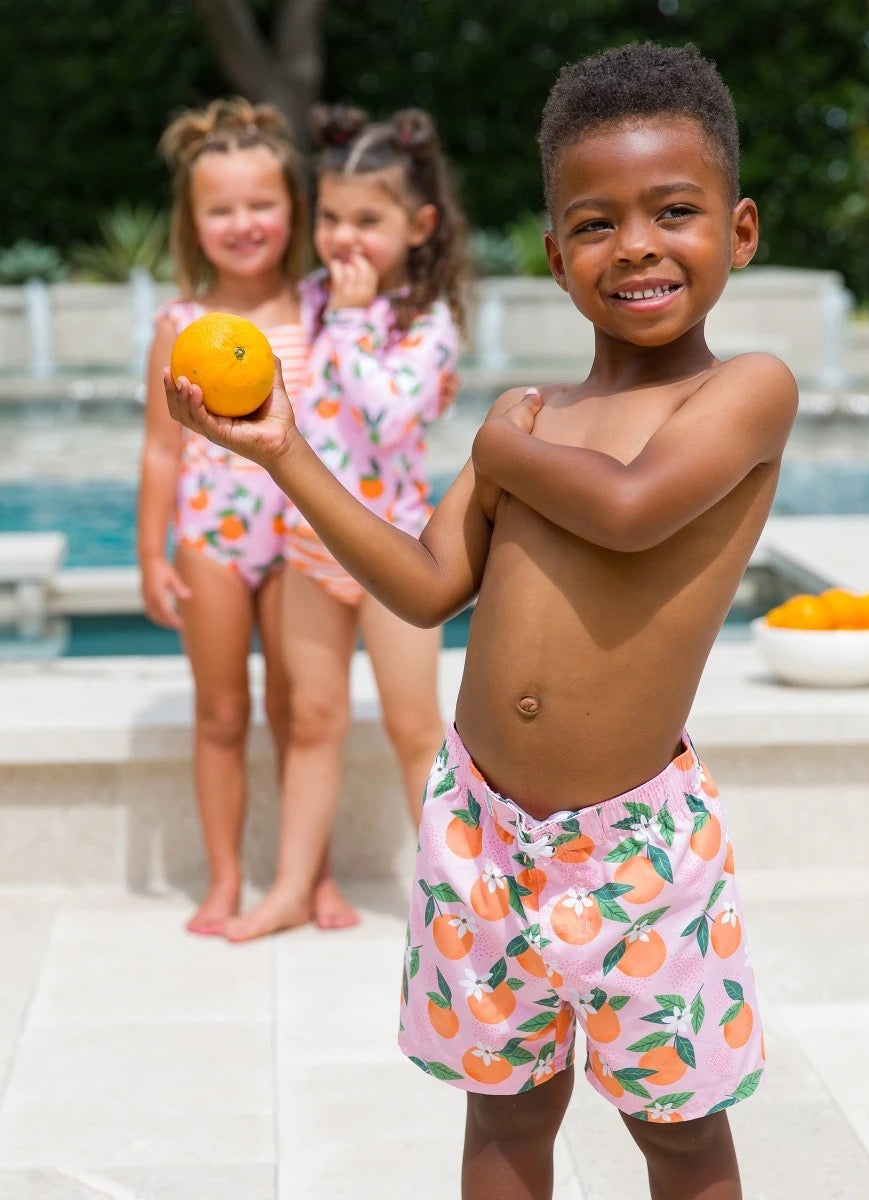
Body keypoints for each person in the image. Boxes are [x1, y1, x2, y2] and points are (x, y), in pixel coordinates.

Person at [165, 40, 798, 1200]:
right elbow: (418, 583)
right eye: (597, 224)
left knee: (679, 1131)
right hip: (483, 833)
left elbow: (628, 508)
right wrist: (285, 453)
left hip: (637, 852)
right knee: (505, 1120)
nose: (639, 245)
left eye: (675, 212)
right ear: (557, 257)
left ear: (740, 232)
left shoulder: (744, 391)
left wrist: (501, 449)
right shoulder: (533, 410)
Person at [220, 104, 467, 940]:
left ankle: (454, 902)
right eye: (329, 217)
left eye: (368, 219)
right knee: (314, 719)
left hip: (396, 553)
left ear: (419, 225)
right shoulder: (310, 300)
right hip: (309, 546)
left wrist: (359, 321)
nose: (343, 236)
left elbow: (392, 418)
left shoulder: (425, 324)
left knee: (413, 726)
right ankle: (291, 887)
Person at [136, 97, 310, 936]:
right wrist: (149, 553)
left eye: (261, 204)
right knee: (222, 714)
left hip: (300, 535)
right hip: (212, 538)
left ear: (294, 210)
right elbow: (161, 453)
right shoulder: (178, 325)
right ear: (193, 221)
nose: (244, 223)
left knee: (297, 710)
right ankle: (225, 877)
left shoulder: (322, 311)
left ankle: (302, 877)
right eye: (221, 208)